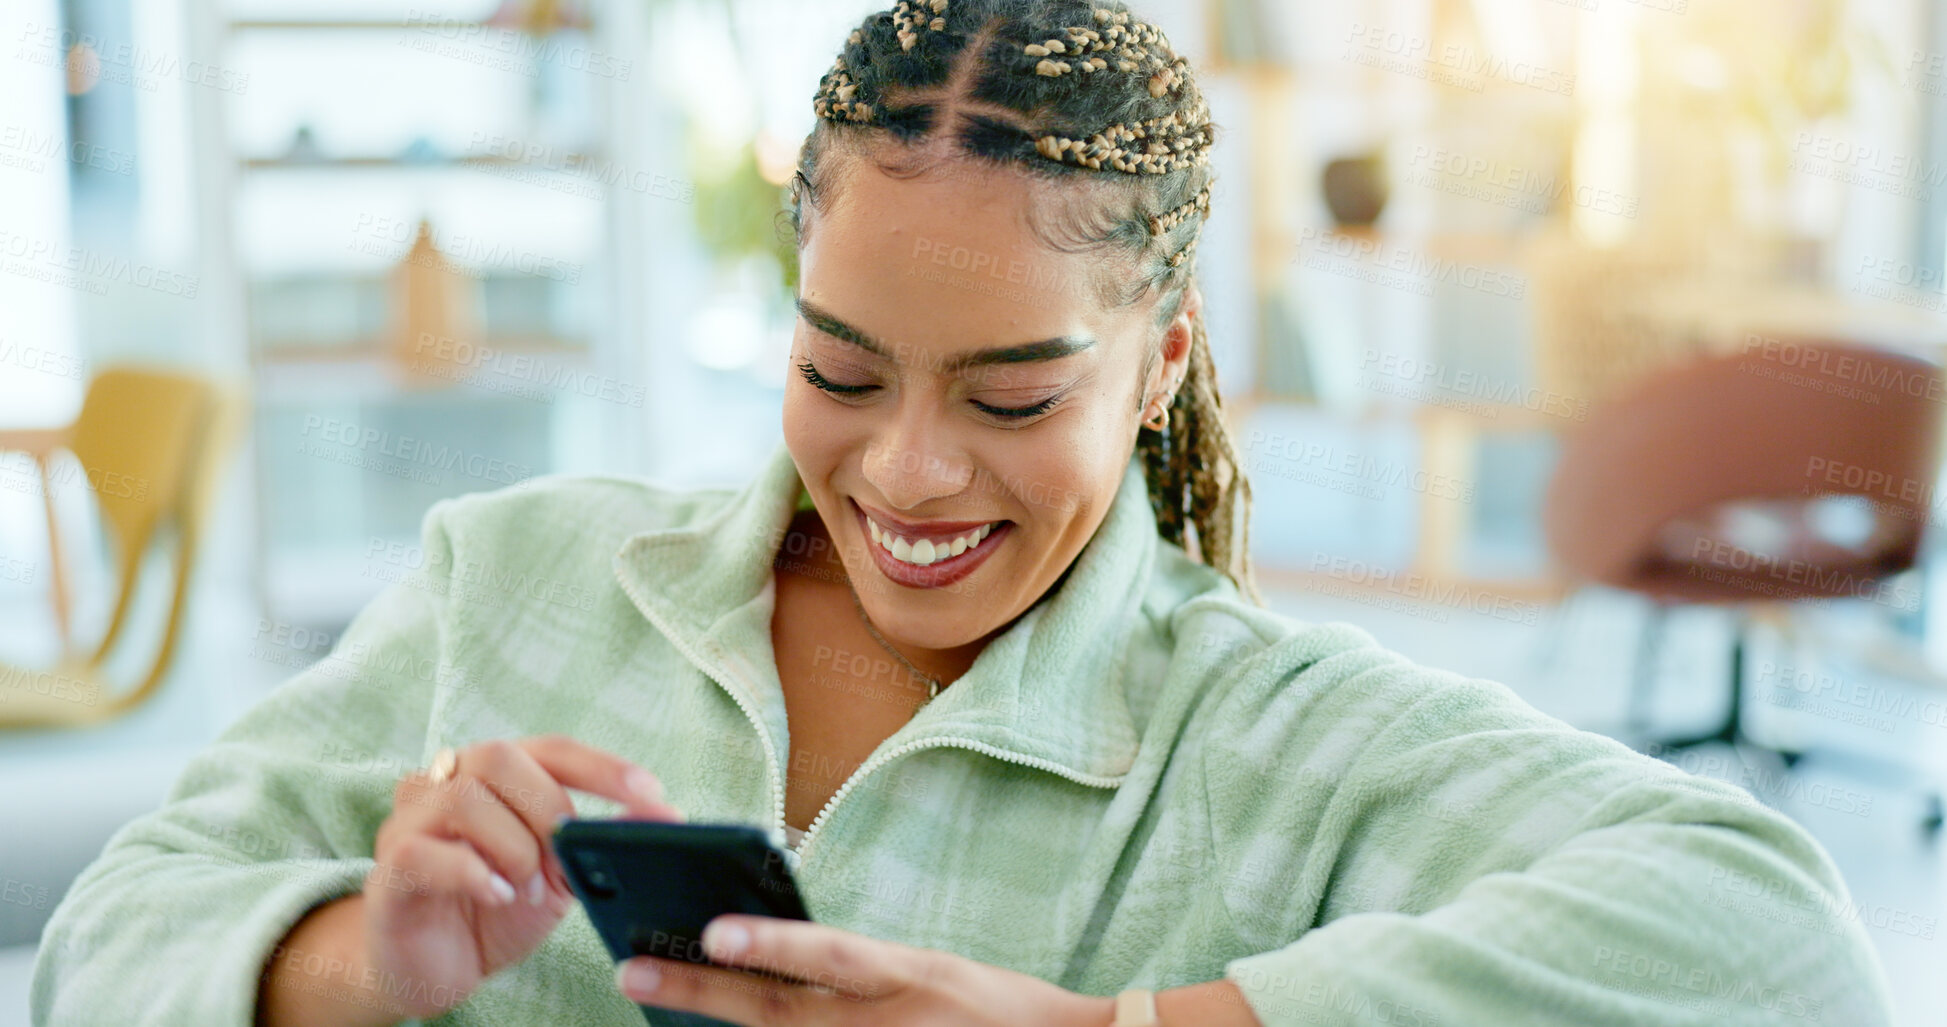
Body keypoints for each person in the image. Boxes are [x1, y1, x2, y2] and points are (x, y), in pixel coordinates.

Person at [34, 1, 1893, 1025]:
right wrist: (368, 961)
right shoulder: (511, 576)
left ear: (1158, 361)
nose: (907, 475)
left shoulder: (1259, 735)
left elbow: (1779, 943)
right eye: (840, 370)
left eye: (1013, 397)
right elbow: (107, 942)